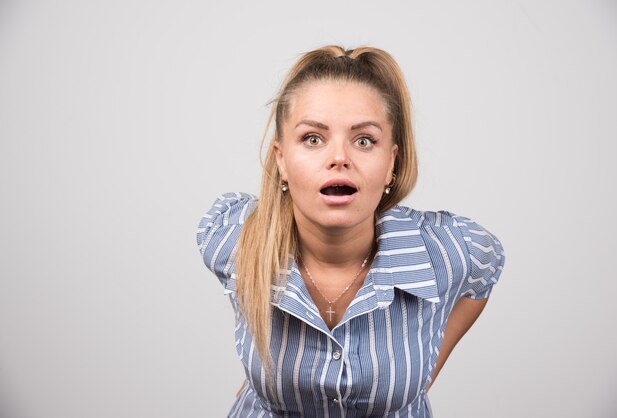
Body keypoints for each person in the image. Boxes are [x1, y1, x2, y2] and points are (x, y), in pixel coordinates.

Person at [196, 45, 506, 417]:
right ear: (281, 159)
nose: (339, 157)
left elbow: (485, 271)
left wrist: (424, 370)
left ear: (392, 162)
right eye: (313, 138)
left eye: (364, 141)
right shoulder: (232, 238)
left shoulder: (446, 250)